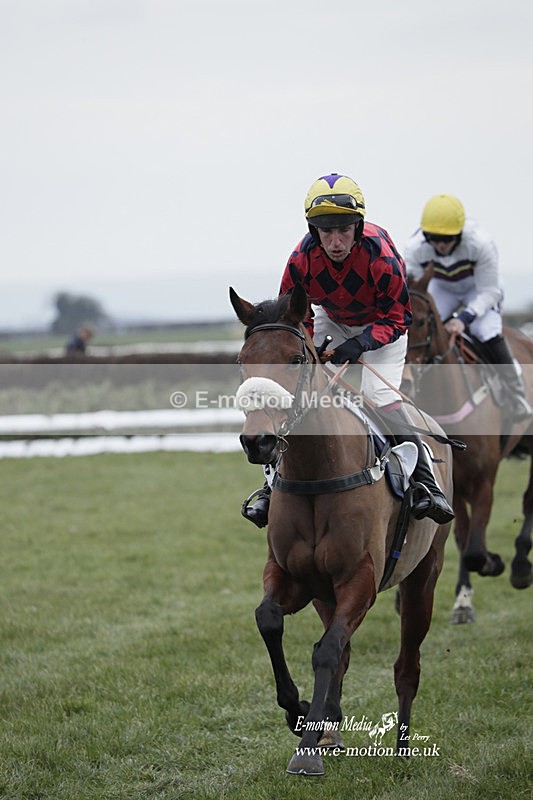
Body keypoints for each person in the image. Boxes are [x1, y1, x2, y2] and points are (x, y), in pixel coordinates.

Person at [242, 172, 454, 528]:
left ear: (358, 226)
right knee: (300, 397)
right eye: (327, 232)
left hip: (383, 326)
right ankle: (270, 487)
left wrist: (359, 344)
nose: (336, 241)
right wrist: (309, 350)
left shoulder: (380, 256)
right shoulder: (300, 260)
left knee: (379, 396)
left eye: (344, 230)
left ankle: (425, 483)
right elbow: (292, 318)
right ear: (314, 231)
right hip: (333, 319)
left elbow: (399, 316)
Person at [403, 193, 532, 421]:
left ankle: (516, 392)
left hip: (479, 288)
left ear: (460, 233)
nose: (441, 245)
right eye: (434, 237)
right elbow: (415, 290)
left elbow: (490, 291)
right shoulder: (415, 248)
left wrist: (463, 318)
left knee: (486, 331)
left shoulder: (480, 244)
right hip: (443, 287)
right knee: (420, 328)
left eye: (448, 238)